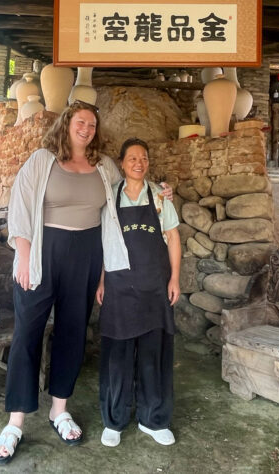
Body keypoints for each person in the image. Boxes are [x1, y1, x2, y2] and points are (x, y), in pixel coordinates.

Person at [0, 102, 171, 464]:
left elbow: (131, 192)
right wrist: (23, 254)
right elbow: (21, 205)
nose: (86, 128)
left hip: (87, 253)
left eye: (92, 124)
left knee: (73, 330)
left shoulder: (104, 166)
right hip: (43, 250)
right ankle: (16, 422)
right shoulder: (43, 159)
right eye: (80, 122)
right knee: (28, 331)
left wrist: (161, 192)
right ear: (67, 124)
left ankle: (59, 409)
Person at [95, 137, 181, 448]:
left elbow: (172, 238)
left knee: (152, 355)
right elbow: (105, 243)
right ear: (121, 163)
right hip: (118, 287)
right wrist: (102, 281)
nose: (138, 162)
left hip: (154, 287)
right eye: (132, 157)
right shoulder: (110, 199)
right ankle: (114, 420)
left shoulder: (160, 196)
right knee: (117, 356)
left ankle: (153, 419)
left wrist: (175, 279)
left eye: (143, 157)